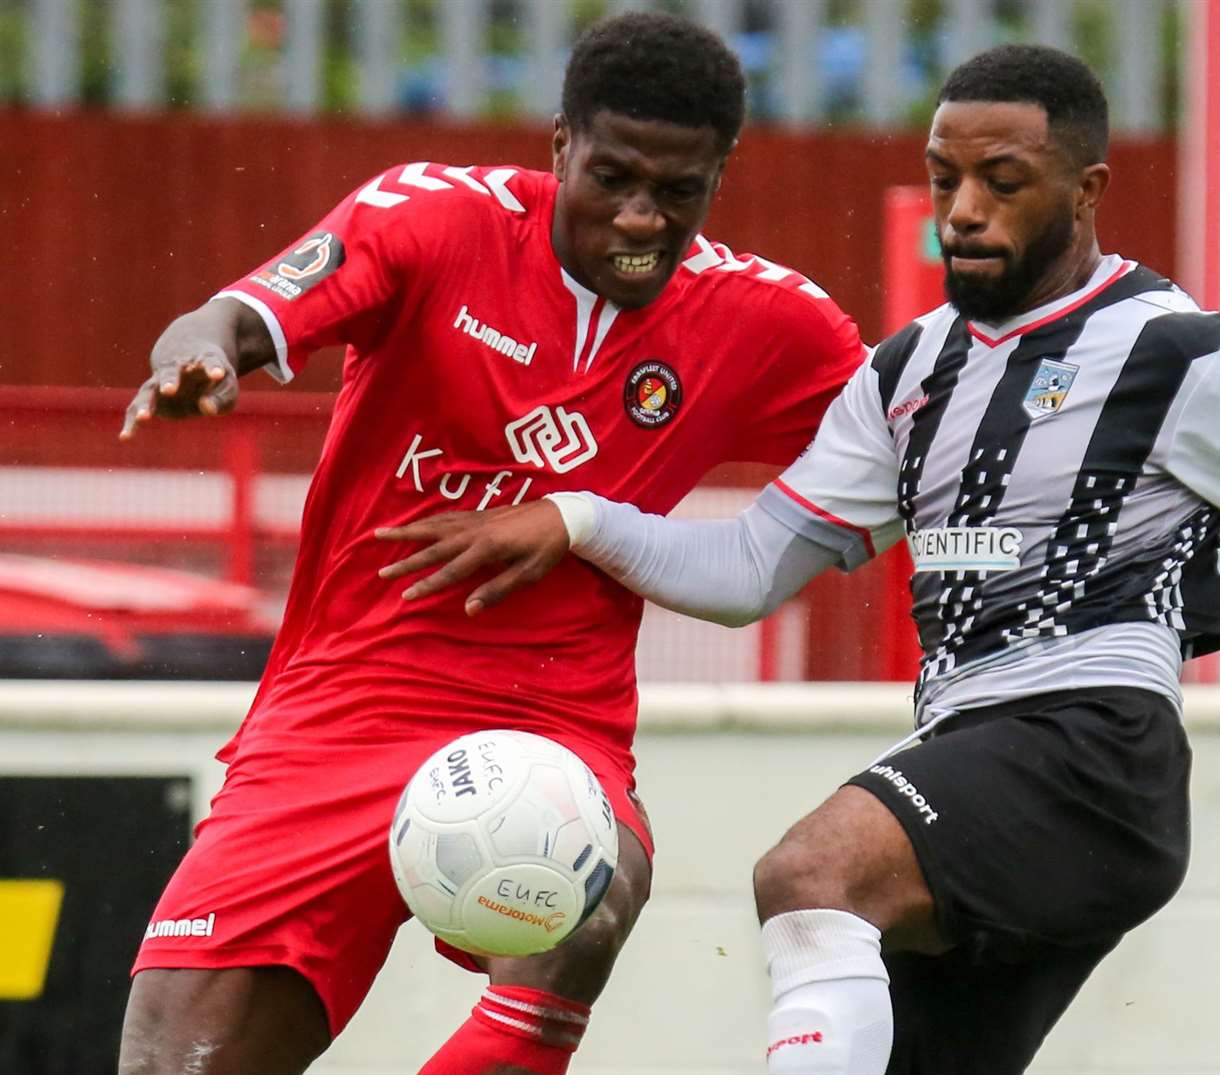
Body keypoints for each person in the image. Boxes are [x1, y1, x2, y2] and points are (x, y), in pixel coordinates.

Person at [378, 44, 1220, 1075]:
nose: (965, 211)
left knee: (808, 876)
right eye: (947, 180)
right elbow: (748, 570)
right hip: (977, 751)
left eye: (1003, 182)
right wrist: (580, 519)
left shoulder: (1182, 353)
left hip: (1094, 749)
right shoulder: (902, 373)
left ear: (1086, 192)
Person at [114, 13, 867, 1075]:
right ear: (560, 144)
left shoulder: (769, 324)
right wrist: (200, 361)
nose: (640, 219)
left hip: (548, 724)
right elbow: (230, 316)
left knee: (599, 889)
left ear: (719, 178)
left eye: (679, 193)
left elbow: (912, 449)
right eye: (613, 178)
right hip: (340, 706)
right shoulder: (434, 221)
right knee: (169, 1061)